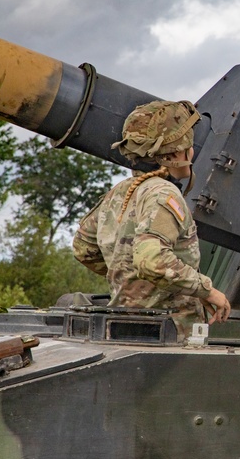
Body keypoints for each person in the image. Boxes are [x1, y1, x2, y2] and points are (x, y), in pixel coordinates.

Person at [72, 100, 231, 338]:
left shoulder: (121, 191)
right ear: (178, 153)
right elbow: (152, 260)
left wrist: (132, 282)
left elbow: (83, 249)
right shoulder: (163, 193)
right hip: (169, 335)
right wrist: (206, 291)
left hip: (123, 328)